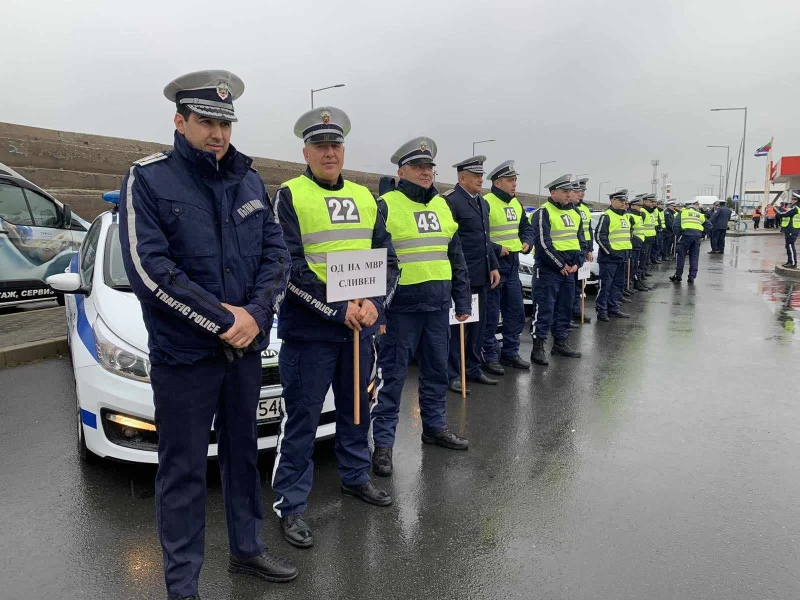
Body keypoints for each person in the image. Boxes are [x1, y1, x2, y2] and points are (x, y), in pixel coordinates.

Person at [119, 70, 296, 599]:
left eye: (225, 122)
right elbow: (151, 270)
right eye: (206, 121)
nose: (218, 133)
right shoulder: (148, 179)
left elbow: (276, 256)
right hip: (185, 357)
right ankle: (182, 585)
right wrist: (226, 321)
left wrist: (257, 314)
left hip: (243, 354)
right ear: (180, 121)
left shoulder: (248, 180)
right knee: (184, 470)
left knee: (243, 455)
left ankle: (246, 549)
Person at [271, 106, 400, 549]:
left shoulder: (367, 198)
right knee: (302, 419)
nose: (329, 153)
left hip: (359, 328)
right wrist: (337, 308)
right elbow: (287, 268)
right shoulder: (290, 194)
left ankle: (354, 476)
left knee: (355, 411)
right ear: (305, 151)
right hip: (311, 332)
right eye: (320, 146)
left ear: (344, 150)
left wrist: (374, 306)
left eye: (336, 145)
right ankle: (290, 505)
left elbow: (388, 261)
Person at [370, 137, 471, 478]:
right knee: (392, 379)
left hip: (437, 306)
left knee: (436, 372)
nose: (425, 173)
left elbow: (454, 255)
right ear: (401, 171)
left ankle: (435, 427)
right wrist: (379, 310)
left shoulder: (443, 206)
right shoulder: (385, 204)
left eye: (429, 167)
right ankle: (383, 446)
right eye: (418, 167)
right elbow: (375, 260)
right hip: (400, 310)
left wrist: (462, 299)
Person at [443, 156, 501, 393]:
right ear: (462, 177)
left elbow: (485, 240)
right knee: (458, 329)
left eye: (481, 175)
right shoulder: (451, 202)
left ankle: (474, 369)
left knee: (478, 327)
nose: (480, 179)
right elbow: (450, 243)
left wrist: (494, 265)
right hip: (462, 279)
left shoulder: (482, 203)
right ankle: (453, 374)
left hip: (482, 275)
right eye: (475, 175)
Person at [481, 160, 534, 374]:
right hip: (493, 265)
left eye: (515, 180)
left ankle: (510, 353)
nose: (514, 184)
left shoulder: (516, 203)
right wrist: (496, 248)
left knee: (516, 313)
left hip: (512, 265)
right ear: (497, 182)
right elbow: (478, 236)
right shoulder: (485, 202)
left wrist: (528, 242)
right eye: (510, 180)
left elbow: (526, 228)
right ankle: (490, 355)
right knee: (491, 316)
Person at [528, 174, 585, 366]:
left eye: (570, 191)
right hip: (549, 270)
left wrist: (578, 263)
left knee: (565, 308)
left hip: (570, 270)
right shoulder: (543, 212)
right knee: (544, 308)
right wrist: (560, 265)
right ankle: (538, 347)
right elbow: (543, 244)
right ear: (553, 192)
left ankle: (560, 343)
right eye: (565, 191)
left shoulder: (575, 212)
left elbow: (581, 241)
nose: (569, 194)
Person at [595, 189, 632, 322]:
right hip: (609, 259)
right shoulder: (607, 216)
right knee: (606, 286)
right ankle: (602, 310)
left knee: (618, 285)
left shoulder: (625, 216)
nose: (624, 203)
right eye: (621, 201)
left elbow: (628, 235)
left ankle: (613, 308)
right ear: (612, 201)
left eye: (625, 201)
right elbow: (599, 236)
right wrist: (610, 252)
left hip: (622, 257)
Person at [569, 177, 594, 325]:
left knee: (580, 284)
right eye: (578, 191)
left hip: (583, 249)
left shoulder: (584, 209)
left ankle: (577, 312)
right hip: (573, 250)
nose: (581, 194)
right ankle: (570, 313)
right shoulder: (571, 210)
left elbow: (588, 230)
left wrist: (589, 249)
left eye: (582, 191)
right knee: (570, 285)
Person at [670, 200, 707, 284]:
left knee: (681, 256)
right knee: (694, 257)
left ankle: (678, 276)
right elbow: (709, 225)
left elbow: (675, 225)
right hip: (696, 237)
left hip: (685, 235)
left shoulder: (683, 212)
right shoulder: (700, 215)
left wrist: (679, 235)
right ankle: (692, 277)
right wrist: (702, 234)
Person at [627, 196, 650, 292]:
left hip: (640, 243)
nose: (640, 207)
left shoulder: (640, 215)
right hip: (634, 244)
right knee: (632, 265)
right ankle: (631, 284)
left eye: (641, 205)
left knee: (638, 264)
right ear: (632, 206)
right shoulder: (630, 216)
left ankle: (636, 281)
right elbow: (629, 231)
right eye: (638, 205)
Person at [774, 192, 800, 268]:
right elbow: (786, 213)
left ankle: (792, 263)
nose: (791, 200)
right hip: (791, 229)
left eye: (792, 199)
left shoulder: (796, 209)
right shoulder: (794, 208)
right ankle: (790, 261)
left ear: (796, 200)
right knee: (788, 245)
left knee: (790, 245)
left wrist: (776, 209)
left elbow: (783, 214)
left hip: (792, 229)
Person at [640, 194, 659, 271]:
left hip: (650, 238)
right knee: (643, 257)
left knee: (647, 257)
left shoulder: (650, 212)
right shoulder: (643, 212)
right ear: (644, 202)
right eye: (651, 202)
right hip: (645, 238)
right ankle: (641, 273)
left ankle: (645, 271)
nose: (653, 203)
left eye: (654, 202)